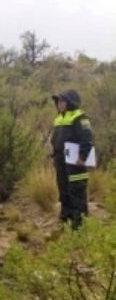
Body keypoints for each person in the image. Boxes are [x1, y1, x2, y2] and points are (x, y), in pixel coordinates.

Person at [51, 90, 93, 230]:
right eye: (58, 101)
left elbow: (87, 139)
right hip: (61, 161)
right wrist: (54, 157)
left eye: (61, 101)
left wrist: (82, 157)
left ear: (69, 102)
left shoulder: (79, 117)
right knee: (64, 191)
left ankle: (79, 227)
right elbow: (55, 141)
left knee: (77, 193)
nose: (58, 104)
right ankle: (66, 220)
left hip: (75, 162)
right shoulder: (58, 119)